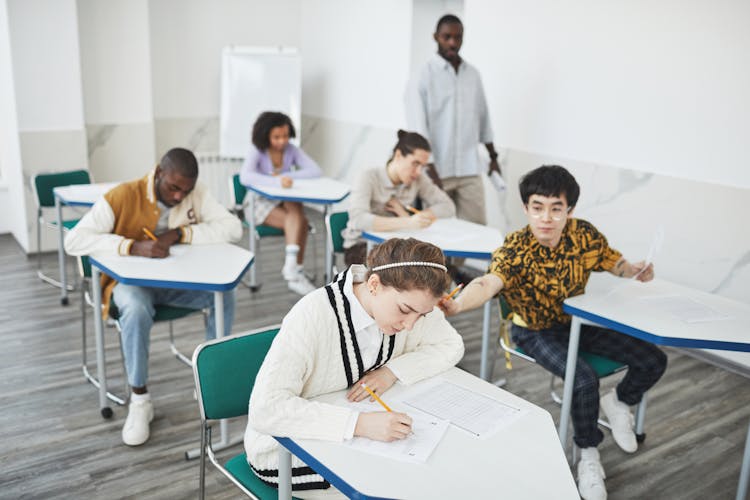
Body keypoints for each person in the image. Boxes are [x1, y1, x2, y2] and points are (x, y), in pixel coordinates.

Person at [439, 165, 667, 500]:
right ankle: (587, 453)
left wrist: (632, 270)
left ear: (569, 211)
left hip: (575, 325)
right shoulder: (516, 247)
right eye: (537, 207)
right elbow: (489, 282)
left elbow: (612, 261)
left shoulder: (584, 235)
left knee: (653, 358)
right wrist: (458, 306)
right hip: (533, 332)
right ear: (526, 208)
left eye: (556, 208)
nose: (546, 217)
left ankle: (619, 401)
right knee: (583, 378)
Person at [244, 238, 464, 498]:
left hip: (350, 434)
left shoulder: (411, 302)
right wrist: (359, 424)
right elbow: (266, 409)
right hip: (283, 450)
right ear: (373, 285)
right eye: (405, 310)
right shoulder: (313, 313)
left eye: (422, 315)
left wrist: (391, 372)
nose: (410, 326)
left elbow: (451, 344)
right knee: (396, 484)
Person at [64, 147, 243, 447]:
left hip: (176, 282)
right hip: (131, 286)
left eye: (184, 191)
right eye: (173, 188)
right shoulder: (123, 195)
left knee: (222, 294)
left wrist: (180, 234)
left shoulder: (195, 193)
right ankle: (140, 399)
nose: (178, 197)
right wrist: (131, 247)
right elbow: (74, 240)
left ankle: (211, 383)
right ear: (159, 173)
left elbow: (233, 228)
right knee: (134, 307)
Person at [405, 14, 500, 227]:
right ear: (436, 37)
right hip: (437, 170)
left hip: (469, 169)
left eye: (458, 37)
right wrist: (430, 170)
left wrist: (493, 157)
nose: (452, 43)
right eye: (447, 37)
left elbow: (483, 117)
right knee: (438, 233)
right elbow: (418, 129)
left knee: (476, 230)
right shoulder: (422, 75)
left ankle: (457, 263)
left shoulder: (473, 75)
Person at [341, 129, 455, 266]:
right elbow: (358, 219)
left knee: (435, 264)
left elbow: (448, 206)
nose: (419, 172)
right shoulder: (368, 176)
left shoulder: (418, 179)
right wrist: (407, 221)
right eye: (415, 163)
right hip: (362, 246)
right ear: (398, 155)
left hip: (397, 247)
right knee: (414, 268)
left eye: (423, 166)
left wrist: (420, 216)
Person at [239, 111, 322, 295]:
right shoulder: (257, 150)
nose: (282, 141)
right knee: (301, 222)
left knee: (295, 206)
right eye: (276, 137)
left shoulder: (291, 150)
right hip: (257, 202)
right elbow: (245, 177)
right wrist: (276, 180)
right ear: (265, 135)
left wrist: (286, 176)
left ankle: (293, 270)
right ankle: (294, 271)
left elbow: (315, 170)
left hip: (282, 200)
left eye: (285, 135)